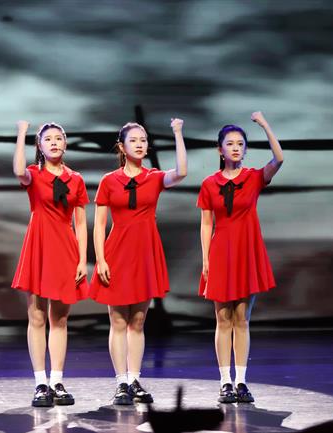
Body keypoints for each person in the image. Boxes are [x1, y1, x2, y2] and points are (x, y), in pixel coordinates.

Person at [89, 119, 187, 405]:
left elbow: (181, 172)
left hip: (145, 252)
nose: (140, 144)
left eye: (143, 140)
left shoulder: (153, 177)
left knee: (139, 320)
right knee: (118, 320)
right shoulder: (109, 181)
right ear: (122, 147)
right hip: (117, 252)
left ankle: (134, 379)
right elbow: (99, 225)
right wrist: (100, 259)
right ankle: (121, 382)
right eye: (133, 140)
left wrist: (177, 133)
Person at [196, 111, 283, 404]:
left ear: (245, 149)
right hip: (221, 253)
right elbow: (206, 224)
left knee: (242, 320)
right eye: (230, 144)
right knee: (223, 320)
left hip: (247, 253)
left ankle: (242, 381)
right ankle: (225, 382)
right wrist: (206, 259)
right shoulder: (210, 183)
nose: (236, 148)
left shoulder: (254, 178)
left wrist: (265, 124)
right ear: (220, 150)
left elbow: (279, 159)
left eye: (240, 144)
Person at [12, 120, 89, 407]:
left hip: (65, 248)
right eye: (48, 139)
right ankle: (40, 383)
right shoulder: (34, 174)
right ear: (40, 146)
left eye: (59, 138)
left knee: (60, 318)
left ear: (65, 144)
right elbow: (18, 170)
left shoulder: (75, 179)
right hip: (39, 245)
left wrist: (82, 258)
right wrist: (22, 133)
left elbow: (80, 223)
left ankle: (57, 380)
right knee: (36, 316)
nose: (54, 142)